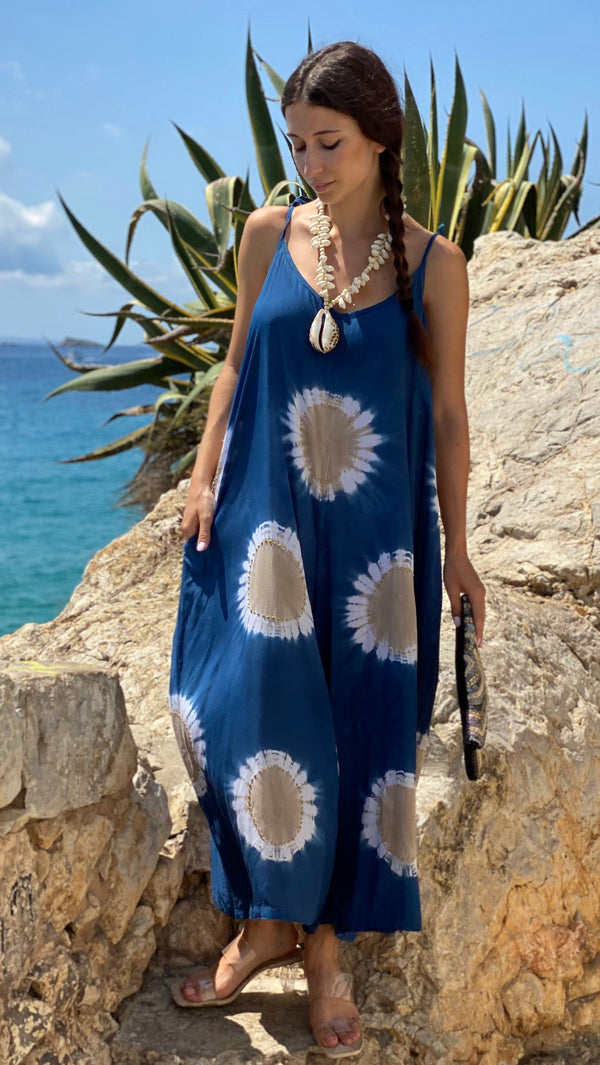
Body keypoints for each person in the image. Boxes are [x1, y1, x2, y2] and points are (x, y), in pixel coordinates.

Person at [166, 40, 486, 1058]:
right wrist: (203, 474)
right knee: (248, 703)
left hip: (377, 537)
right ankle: (266, 923)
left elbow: (448, 416)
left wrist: (460, 547)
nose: (311, 164)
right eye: (299, 144)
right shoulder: (268, 234)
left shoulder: (436, 265)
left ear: (382, 137)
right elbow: (232, 366)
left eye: (330, 142)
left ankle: (327, 952)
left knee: (360, 727)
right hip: (267, 513)